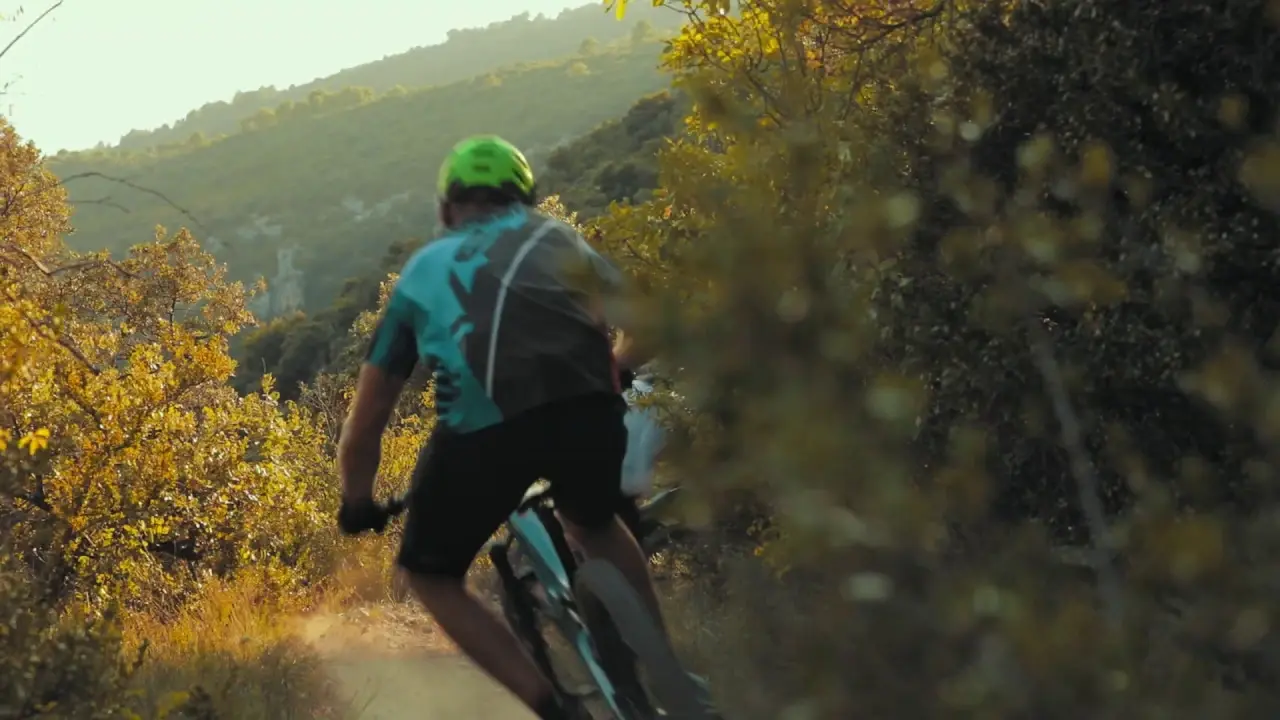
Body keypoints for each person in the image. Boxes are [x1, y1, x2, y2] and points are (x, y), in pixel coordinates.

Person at [333, 135, 664, 720]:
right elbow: (653, 324)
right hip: (589, 415)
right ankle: (665, 669)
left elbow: (369, 415)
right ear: (526, 197)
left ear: (445, 209)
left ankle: (552, 706)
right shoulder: (560, 239)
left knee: (428, 573)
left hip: (484, 437)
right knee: (595, 522)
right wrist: (609, 370)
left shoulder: (422, 272)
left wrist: (357, 500)